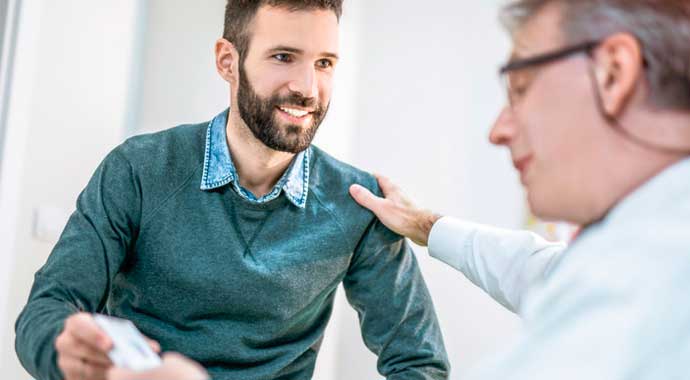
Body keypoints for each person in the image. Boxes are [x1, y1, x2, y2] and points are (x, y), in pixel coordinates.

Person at [14, 1, 449, 380]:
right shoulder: (139, 169)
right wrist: (64, 351)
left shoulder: (358, 203)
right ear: (227, 60)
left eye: (324, 63)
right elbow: (48, 308)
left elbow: (418, 361)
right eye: (283, 56)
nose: (307, 88)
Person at [351, 0, 690, 379]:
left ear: (612, 72)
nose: (498, 131)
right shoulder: (641, 244)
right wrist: (428, 226)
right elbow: (546, 272)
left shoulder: (655, 280)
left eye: (522, 88)